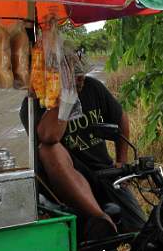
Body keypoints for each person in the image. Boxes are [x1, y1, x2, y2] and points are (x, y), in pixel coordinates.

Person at [19, 47, 146, 240]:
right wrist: (65, 99)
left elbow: (120, 118)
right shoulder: (33, 105)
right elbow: (50, 137)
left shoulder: (92, 88)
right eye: (74, 76)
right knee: (49, 150)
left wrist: (121, 160)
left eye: (81, 74)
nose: (81, 79)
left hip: (105, 173)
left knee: (141, 232)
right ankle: (98, 217)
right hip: (71, 180)